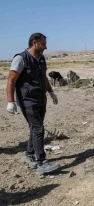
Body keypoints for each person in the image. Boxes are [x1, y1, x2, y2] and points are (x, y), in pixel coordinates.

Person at [6, 32, 60, 174]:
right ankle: (41, 162)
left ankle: (30, 155)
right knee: (38, 129)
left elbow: (44, 78)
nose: (46, 47)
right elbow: (11, 80)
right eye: (43, 44)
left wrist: (51, 92)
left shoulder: (41, 58)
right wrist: (10, 101)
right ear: (35, 42)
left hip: (41, 99)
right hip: (27, 101)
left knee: (35, 129)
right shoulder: (20, 58)